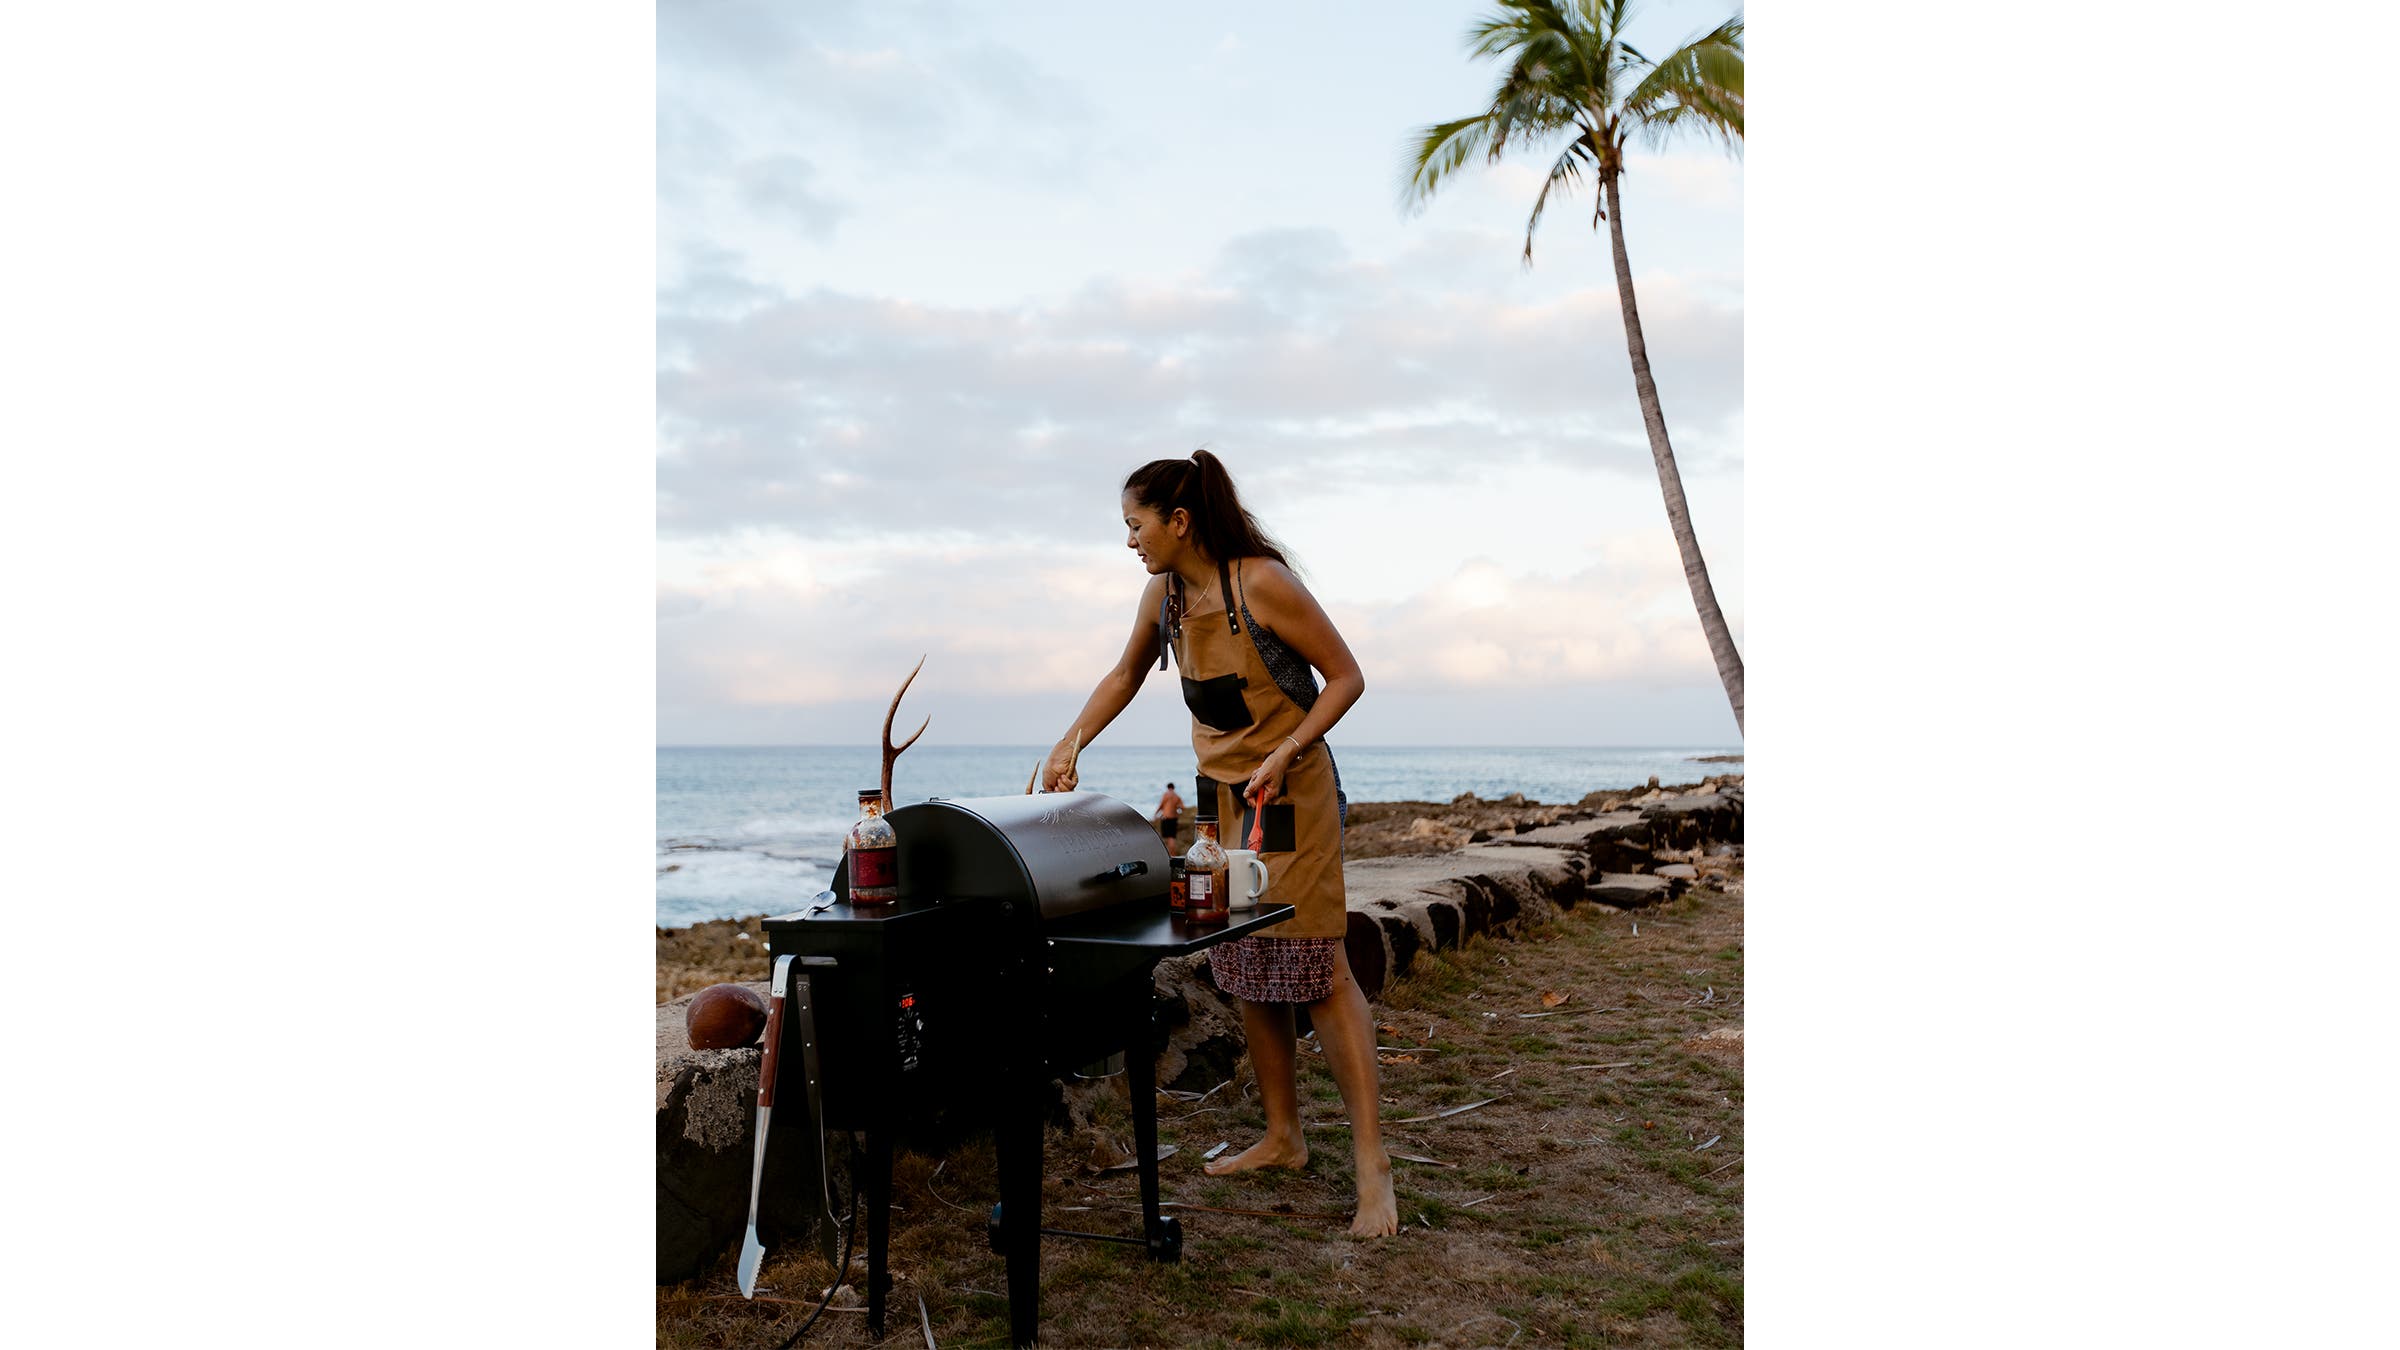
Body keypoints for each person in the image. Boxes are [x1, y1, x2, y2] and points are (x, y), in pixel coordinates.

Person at [1043, 449, 1396, 1238]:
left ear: (1178, 521)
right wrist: (1073, 740)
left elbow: (1345, 677)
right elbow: (1127, 673)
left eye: (1136, 526)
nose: (1130, 541)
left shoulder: (1261, 581)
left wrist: (1288, 750)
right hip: (1222, 802)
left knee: (1319, 969)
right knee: (1241, 957)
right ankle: (1282, 1136)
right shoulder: (1162, 597)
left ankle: (1374, 1172)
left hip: (1293, 793)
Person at [1154, 782, 1184, 846]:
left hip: (1166, 818)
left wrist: (1156, 814)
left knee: (1165, 837)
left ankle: (1166, 854)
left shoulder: (1166, 795)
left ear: (1168, 788)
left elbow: (1161, 805)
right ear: (1173, 788)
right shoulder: (1177, 796)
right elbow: (1182, 807)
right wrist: (1177, 808)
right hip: (1174, 818)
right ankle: (1172, 854)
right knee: (1172, 837)